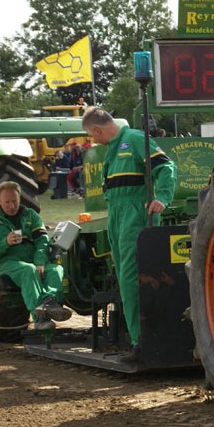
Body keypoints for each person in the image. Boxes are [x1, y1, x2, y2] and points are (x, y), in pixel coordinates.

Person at [81, 106, 177, 362]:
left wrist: (162, 198)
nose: (94, 141)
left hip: (134, 215)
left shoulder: (134, 139)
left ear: (97, 130)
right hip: (117, 216)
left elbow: (166, 167)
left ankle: (141, 344)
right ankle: (138, 339)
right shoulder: (113, 150)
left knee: (132, 278)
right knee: (125, 278)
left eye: (92, 136)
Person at [0, 181, 70, 329]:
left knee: (56, 270)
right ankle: (40, 319)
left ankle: (50, 303)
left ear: (20, 198)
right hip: (6, 265)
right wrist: (5, 242)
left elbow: (42, 240)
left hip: (32, 262)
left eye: (15, 201)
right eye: (7, 202)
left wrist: (40, 261)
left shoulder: (31, 215)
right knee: (28, 271)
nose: (12, 206)